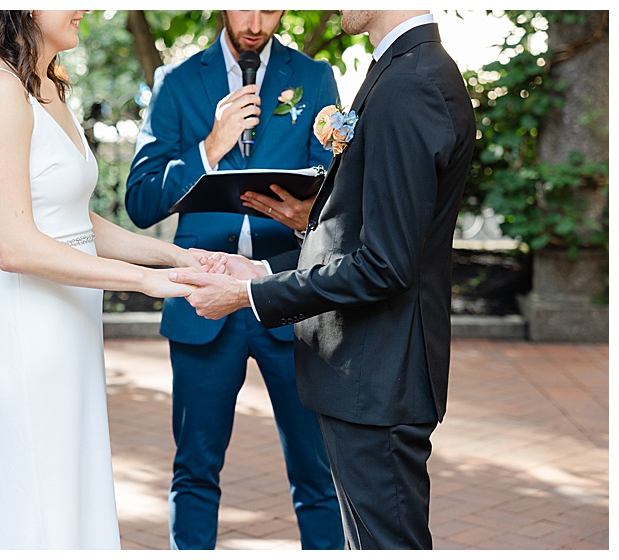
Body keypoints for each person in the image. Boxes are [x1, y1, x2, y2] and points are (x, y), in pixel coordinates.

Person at [172, 10, 475, 549]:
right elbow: (364, 235)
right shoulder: (401, 70)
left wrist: (249, 293)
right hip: (369, 372)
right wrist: (265, 268)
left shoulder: (410, 83)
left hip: (379, 374)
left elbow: (384, 264)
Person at [0, 10, 210, 550]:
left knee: (73, 509)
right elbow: (14, 246)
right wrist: (142, 282)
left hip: (68, 337)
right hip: (24, 339)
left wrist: (173, 256)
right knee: (37, 518)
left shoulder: (49, 84)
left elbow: (72, 222)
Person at [125, 10, 342, 550]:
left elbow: (338, 191)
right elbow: (140, 201)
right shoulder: (177, 82)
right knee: (195, 470)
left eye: (271, 7)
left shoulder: (314, 78)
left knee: (317, 474)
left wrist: (307, 211)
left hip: (290, 299)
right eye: (246, 5)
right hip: (201, 301)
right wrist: (209, 148)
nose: (256, 20)